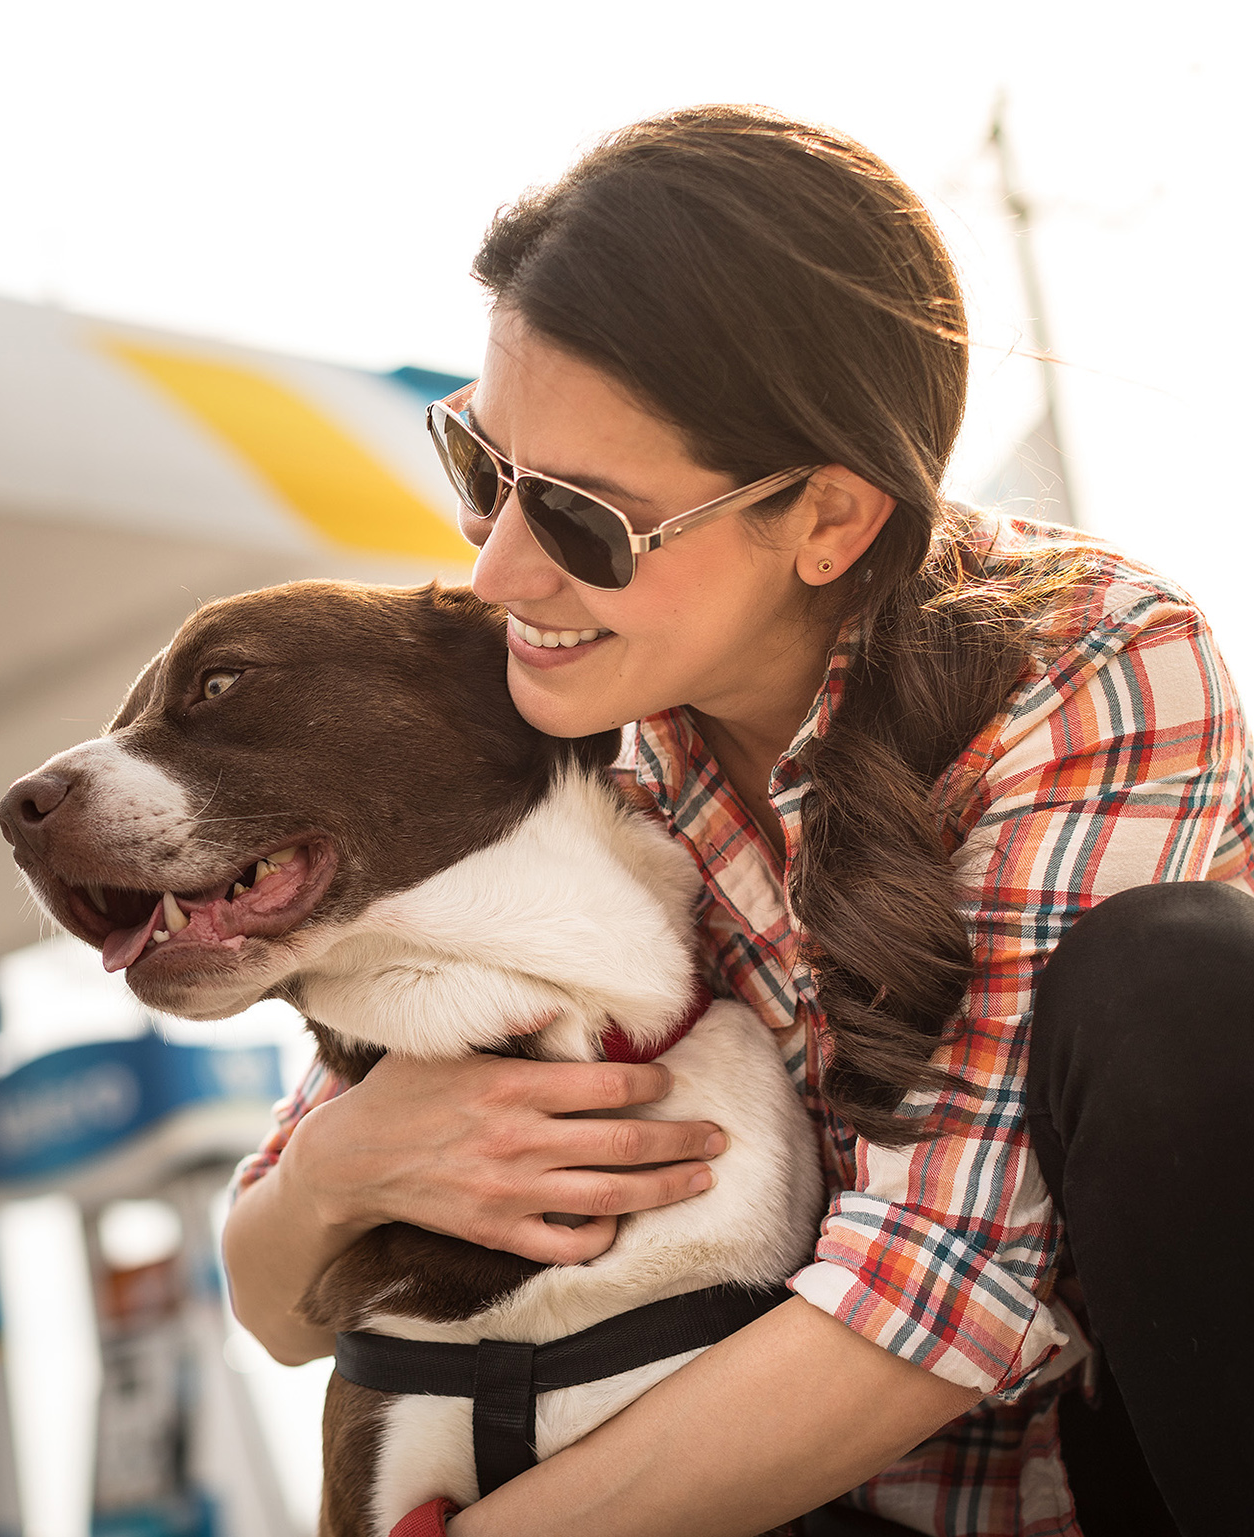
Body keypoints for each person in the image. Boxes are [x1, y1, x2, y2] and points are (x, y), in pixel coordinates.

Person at [219, 105, 1254, 1537]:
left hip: (1112, 1467)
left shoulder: (1094, 662)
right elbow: (275, 1302)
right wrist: (343, 1165)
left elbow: (940, 1278)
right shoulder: (543, 729)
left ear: (830, 518)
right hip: (793, 1505)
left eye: (585, 520)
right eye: (482, 469)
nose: (501, 567)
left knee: (1184, 974)